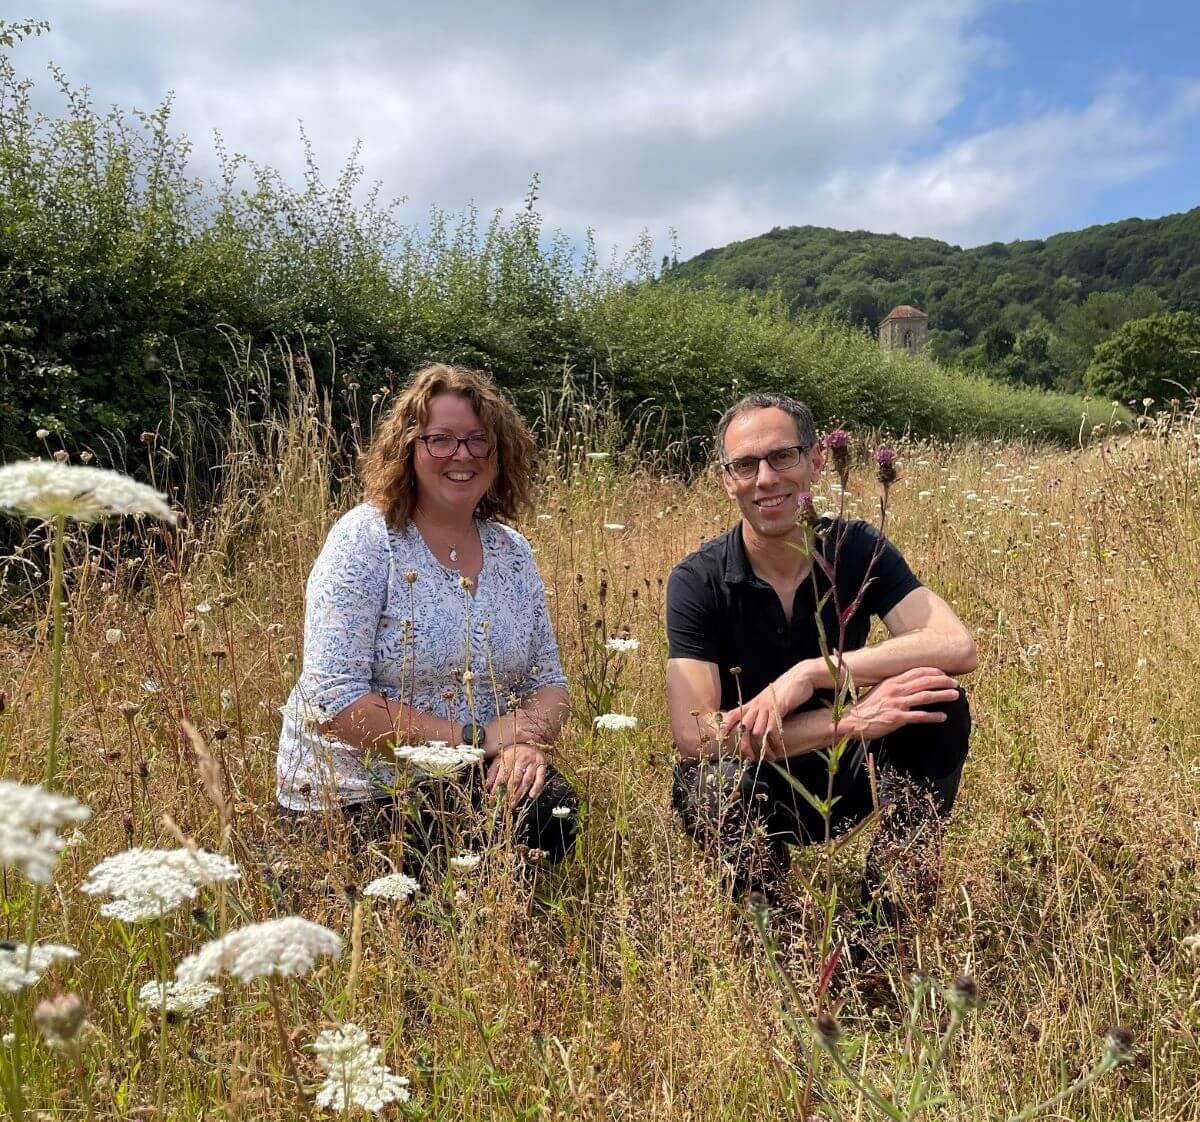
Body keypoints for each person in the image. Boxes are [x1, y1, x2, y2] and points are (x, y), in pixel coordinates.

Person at [665, 392, 976, 925]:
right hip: (759, 778)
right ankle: (775, 927)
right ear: (726, 479)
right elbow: (696, 736)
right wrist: (850, 720)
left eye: (782, 457)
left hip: (853, 775)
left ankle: (887, 914)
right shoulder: (697, 581)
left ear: (814, 461)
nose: (765, 479)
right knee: (708, 787)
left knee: (939, 701)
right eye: (745, 464)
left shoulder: (854, 546)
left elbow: (956, 645)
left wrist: (812, 673)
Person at [276, 363, 577, 874]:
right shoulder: (366, 540)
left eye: (478, 441)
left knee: (553, 815)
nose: (461, 456)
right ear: (409, 450)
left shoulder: (512, 551)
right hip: (355, 792)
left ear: (499, 454)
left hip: (471, 774)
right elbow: (334, 701)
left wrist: (522, 741)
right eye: (440, 440)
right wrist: (474, 739)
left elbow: (549, 683)